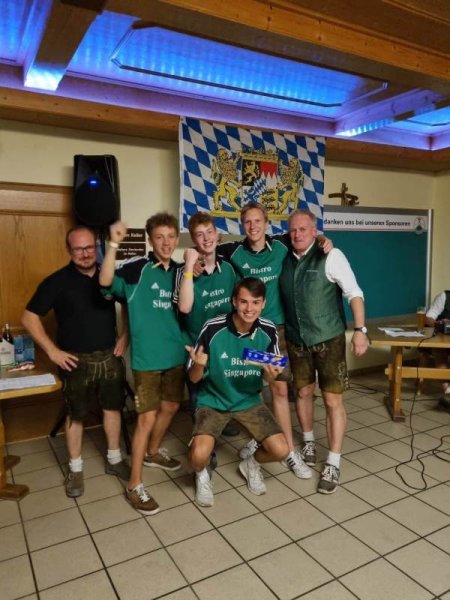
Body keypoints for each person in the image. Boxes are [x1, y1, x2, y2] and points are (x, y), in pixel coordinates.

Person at [219, 201, 331, 478]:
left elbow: (306, 236)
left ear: (267, 223)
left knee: (279, 390)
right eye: (248, 222)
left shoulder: (282, 245)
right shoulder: (233, 251)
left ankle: (289, 452)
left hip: (275, 333)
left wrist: (323, 239)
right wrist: (196, 264)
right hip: (248, 333)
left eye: (258, 221)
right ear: (242, 225)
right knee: (249, 390)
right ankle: (261, 438)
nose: (253, 226)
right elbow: (207, 253)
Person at [22, 226, 130, 499]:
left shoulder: (108, 276)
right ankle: (75, 468)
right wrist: (53, 352)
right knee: (76, 414)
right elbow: (29, 318)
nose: (85, 253)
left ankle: (115, 459)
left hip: (109, 356)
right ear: (69, 250)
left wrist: (125, 336)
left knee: (113, 408)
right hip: (75, 361)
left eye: (89, 247)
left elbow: (130, 304)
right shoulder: (56, 281)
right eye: (78, 249)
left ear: (97, 247)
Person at [99, 214, 186, 515]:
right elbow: (105, 283)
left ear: (176, 239)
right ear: (150, 240)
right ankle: (134, 484)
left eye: (171, 237)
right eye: (159, 237)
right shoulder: (136, 270)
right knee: (146, 420)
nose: (166, 242)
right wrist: (113, 244)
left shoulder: (181, 272)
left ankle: (152, 452)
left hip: (176, 356)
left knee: (172, 406)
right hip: (147, 360)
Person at [279, 209, 369, 494]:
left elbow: (354, 293)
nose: (297, 234)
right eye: (293, 230)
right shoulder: (282, 255)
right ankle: (308, 441)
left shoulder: (331, 255)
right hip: (297, 340)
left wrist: (360, 330)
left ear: (314, 230)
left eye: (303, 229)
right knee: (303, 393)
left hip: (328, 340)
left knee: (332, 401)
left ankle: (333, 461)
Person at [186, 277, 289, 506]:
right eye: (243, 302)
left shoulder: (268, 330)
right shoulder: (212, 328)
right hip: (213, 401)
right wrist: (199, 365)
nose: (249, 308)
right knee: (198, 456)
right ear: (234, 301)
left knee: (282, 450)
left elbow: (268, 375)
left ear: (263, 303)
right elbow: (193, 378)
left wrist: (270, 375)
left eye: (255, 302)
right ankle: (202, 474)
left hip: (249, 400)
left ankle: (251, 464)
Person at [174, 211, 239, 438]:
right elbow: (184, 307)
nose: (206, 238)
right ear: (193, 239)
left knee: (221, 389)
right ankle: (202, 439)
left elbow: (236, 306)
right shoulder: (184, 271)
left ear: (217, 234)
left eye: (209, 232)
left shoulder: (228, 268)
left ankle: (221, 423)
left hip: (222, 344)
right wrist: (189, 266)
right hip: (197, 345)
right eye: (200, 235)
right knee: (198, 395)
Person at [425, 291, 450, 411]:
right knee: (438, 350)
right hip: (442, 339)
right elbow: (429, 318)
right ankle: (448, 391)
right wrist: (438, 323)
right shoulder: (444, 296)